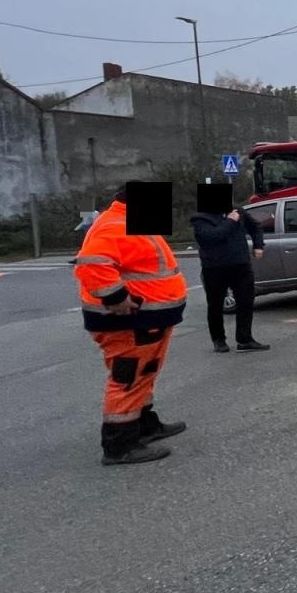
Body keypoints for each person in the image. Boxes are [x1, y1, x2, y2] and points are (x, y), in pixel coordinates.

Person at [74, 190, 189, 466]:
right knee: (128, 378)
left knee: (144, 373)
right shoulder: (116, 225)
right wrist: (117, 299)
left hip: (146, 319)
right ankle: (119, 444)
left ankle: (143, 425)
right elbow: (91, 264)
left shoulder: (128, 222)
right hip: (129, 321)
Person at [190, 204, 270, 353]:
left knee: (246, 302)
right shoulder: (200, 218)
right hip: (215, 268)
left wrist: (258, 245)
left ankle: (245, 339)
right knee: (215, 305)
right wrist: (231, 221)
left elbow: (255, 227)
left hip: (241, 265)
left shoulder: (237, 210)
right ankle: (218, 339)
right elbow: (213, 236)